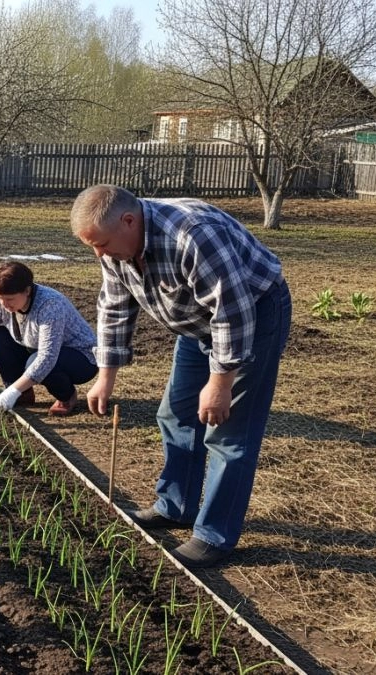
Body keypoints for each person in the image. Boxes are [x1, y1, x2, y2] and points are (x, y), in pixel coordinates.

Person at [69, 185, 292, 568]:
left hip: (251, 314)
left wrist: (220, 383)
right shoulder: (115, 247)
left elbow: (231, 312)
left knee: (228, 430)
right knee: (175, 414)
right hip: (196, 325)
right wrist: (106, 376)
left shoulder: (192, 234)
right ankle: (176, 506)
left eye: (102, 244)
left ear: (128, 220)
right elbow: (115, 307)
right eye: (92, 246)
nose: (99, 255)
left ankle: (214, 536)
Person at [0, 261, 98, 416]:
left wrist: (13, 391)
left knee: (34, 362)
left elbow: (47, 357)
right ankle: (24, 393)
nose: (4, 304)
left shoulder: (50, 305)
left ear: (27, 291)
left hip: (81, 357)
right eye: (0, 298)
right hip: (34, 347)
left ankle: (66, 397)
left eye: (10, 299)